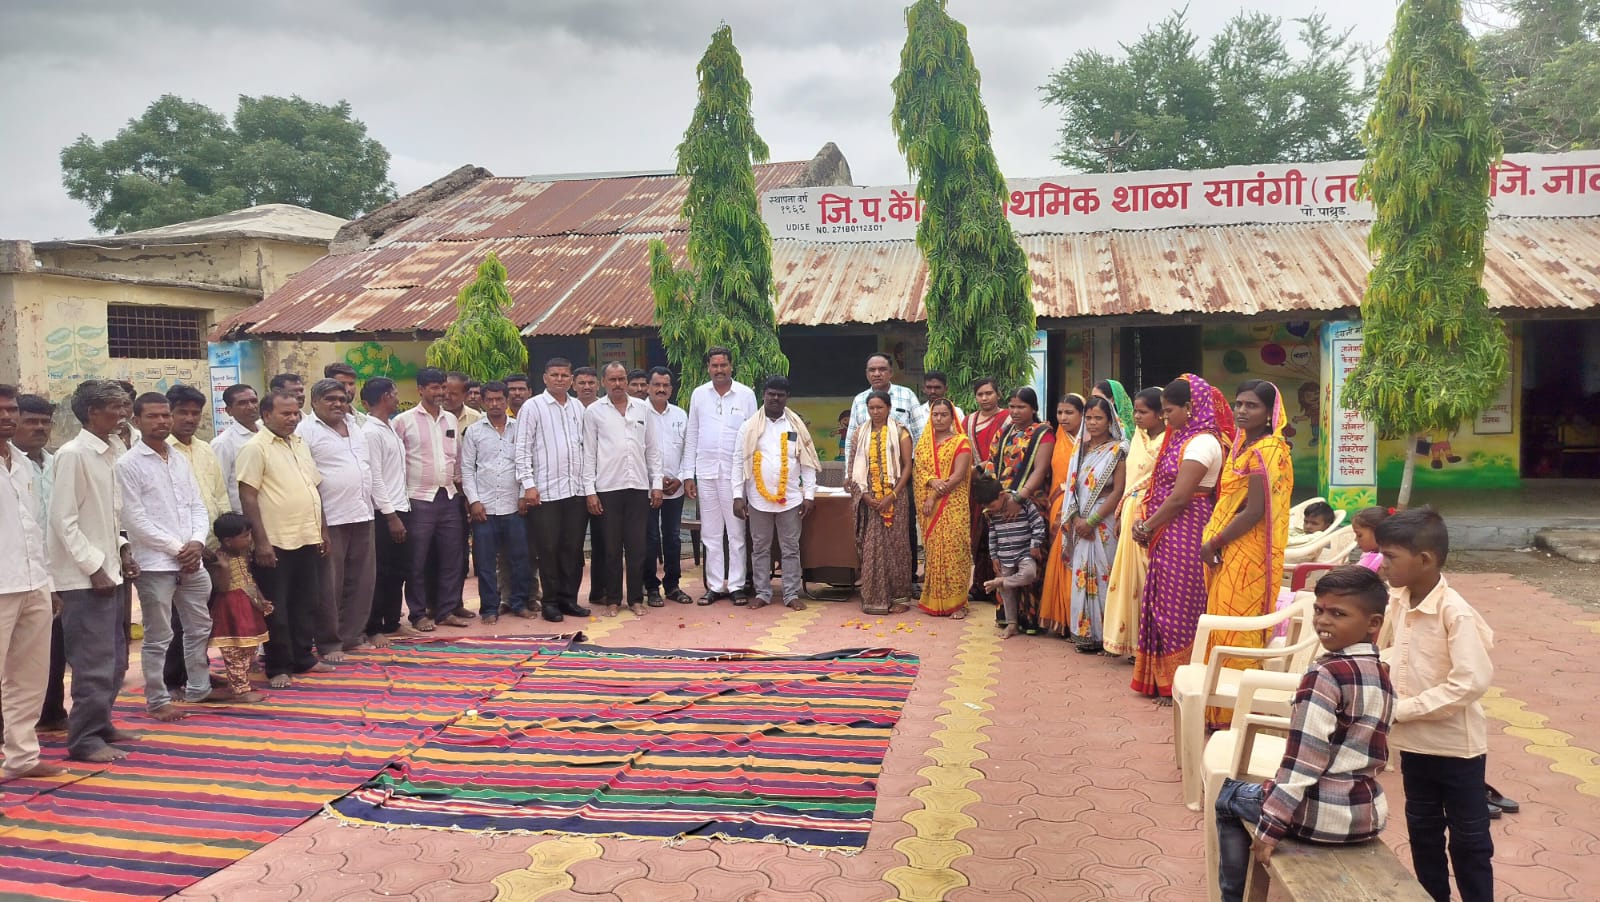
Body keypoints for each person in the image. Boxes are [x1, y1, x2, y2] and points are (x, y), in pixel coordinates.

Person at [1213, 565, 1395, 902]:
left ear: (1373, 624)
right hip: (1365, 816)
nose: (1323, 621)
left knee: (1229, 797)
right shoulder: (1380, 672)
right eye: (1319, 610)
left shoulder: (1325, 675)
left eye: (1338, 614)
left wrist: (1270, 829)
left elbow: (1303, 764)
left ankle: (1233, 898)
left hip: (1319, 816)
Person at [1377, 508, 1496, 902]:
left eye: (1390, 556)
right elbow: (1395, 651)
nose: (1382, 564)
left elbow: (1469, 683)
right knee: (1423, 835)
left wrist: (1402, 710)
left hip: (1457, 751)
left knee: (1470, 843)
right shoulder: (1398, 600)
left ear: (1425, 560)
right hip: (1415, 747)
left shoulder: (1454, 611)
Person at [52, 380, 140, 762]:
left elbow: (109, 516)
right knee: (93, 663)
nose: (122, 415)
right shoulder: (73, 455)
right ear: (92, 413)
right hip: (86, 579)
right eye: (114, 408)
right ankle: (84, 739)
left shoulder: (112, 451)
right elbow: (63, 520)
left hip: (111, 571)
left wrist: (123, 550)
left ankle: (101, 725)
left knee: (117, 658)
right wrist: (94, 568)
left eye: (124, 407)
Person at [1200, 380, 1295, 726]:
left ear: (1270, 413)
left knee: (1238, 628)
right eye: (1238, 403)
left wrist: (1214, 542)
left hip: (1248, 553)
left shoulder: (1266, 450)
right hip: (1233, 549)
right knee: (1225, 623)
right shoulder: (1245, 445)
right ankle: (1220, 707)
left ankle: (1238, 714)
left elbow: (1254, 511)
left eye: (1251, 405)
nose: (1241, 410)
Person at [118, 392, 217, 722]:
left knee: (199, 626)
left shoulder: (178, 458)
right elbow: (135, 520)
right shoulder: (128, 464)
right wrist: (179, 549)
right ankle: (157, 699)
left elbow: (197, 505)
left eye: (165, 415)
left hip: (191, 559)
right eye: (152, 416)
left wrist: (197, 542)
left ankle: (199, 688)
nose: (161, 421)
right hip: (155, 563)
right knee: (159, 635)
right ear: (136, 421)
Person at [1130, 375, 1227, 704]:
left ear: (1190, 407)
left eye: (1169, 410)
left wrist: (1146, 526)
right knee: (1162, 600)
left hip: (1187, 527)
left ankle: (1180, 682)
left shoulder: (1202, 443)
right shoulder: (1182, 438)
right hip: (1170, 528)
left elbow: (1180, 497)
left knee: (1180, 606)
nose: (1165, 416)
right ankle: (1162, 679)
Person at [235, 390, 333, 689]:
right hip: (275, 541)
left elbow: (313, 488)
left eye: (295, 413)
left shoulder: (299, 443)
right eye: (285, 413)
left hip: (306, 536)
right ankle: (278, 666)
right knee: (276, 607)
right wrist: (261, 542)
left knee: (307, 602)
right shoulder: (255, 448)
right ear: (266, 415)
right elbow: (247, 496)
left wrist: (322, 530)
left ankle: (304, 658)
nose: (293, 418)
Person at [0, 384, 64, 780]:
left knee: (29, 676)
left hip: (33, 581)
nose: (7, 416)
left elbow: (35, 527)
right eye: (1, 410)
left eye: (11, 409)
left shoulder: (23, 463)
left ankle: (22, 757)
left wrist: (49, 583)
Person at [298, 379, 387, 658]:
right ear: (314, 402)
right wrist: (319, 522)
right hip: (331, 518)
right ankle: (329, 643)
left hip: (362, 513)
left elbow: (367, 468)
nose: (337, 403)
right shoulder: (305, 431)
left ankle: (351, 637)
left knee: (361, 581)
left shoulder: (355, 426)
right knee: (330, 585)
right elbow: (306, 479)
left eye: (341, 398)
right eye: (330, 399)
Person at [1042, 395, 1128, 652]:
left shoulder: (1119, 450)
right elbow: (1073, 488)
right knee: (1082, 575)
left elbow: (1118, 490)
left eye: (1098, 418)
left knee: (1104, 574)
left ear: (1110, 420)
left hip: (1104, 520)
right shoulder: (1081, 449)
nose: (1092, 423)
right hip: (1079, 522)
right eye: (1089, 418)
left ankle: (1106, 636)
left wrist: (1092, 520)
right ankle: (1085, 634)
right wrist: (1077, 519)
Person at [582, 362, 663, 618]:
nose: (618, 384)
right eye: (612, 379)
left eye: (621, 379)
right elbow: (589, 453)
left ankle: (636, 599)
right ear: (603, 382)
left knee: (637, 547)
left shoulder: (642, 409)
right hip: (608, 487)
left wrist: (656, 484)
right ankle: (613, 600)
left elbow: (653, 449)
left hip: (638, 486)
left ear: (627, 381)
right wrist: (590, 491)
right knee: (611, 548)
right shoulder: (594, 411)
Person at [392, 368, 469, 631]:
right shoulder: (403, 421)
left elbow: (456, 459)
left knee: (452, 557)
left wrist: (462, 492)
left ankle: (446, 610)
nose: (440, 393)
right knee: (417, 560)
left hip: (448, 496)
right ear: (421, 390)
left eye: (443, 387)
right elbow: (395, 462)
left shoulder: (450, 420)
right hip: (417, 498)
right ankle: (418, 613)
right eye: (434, 388)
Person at [516, 358, 591, 624]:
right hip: (544, 493)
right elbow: (522, 448)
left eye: (564, 375)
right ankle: (549, 602)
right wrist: (528, 485)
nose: (560, 379)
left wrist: (587, 487)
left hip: (575, 491)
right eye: (555, 375)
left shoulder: (578, 408)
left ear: (571, 379)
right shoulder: (532, 407)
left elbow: (585, 448)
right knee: (548, 549)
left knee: (572, 549)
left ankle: (568, 599)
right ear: (545, 378)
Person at [732, 376, 817, 611]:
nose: (775, 398)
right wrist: (738, 496)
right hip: (758, 499)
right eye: (771, 394)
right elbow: (738, 462)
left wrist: (809, 495)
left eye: (780, 395)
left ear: (787, 397)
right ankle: (762, 592)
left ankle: (791, 594)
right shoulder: (748, 426)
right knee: (760, 548)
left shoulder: (796, 425)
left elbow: (807, 462)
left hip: (790, 498)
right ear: (764, 395)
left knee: (791, 548)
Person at [683, 347, 759, 606]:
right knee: (711, 533)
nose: (719, 370)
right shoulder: (699, 394)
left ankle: (737, 586)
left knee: (736, 533)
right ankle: (715, 586)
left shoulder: (746, 395)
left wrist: (749, 477)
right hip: (706, 473)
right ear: (708, 368)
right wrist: (688, 474)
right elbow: (692, 433)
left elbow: (753, 437)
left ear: (731, 366)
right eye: (714, 366)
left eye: (723, 365)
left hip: (734, 475)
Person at [14, 394, 69, 734]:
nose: (39, 428)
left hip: (58, 570)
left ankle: (51, 713)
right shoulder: (11, 466)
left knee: (53, 649)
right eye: (30, 421)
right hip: (17, 573)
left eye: (45, 422)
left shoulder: (57, 463)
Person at [462, 381, 534, 623]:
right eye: (490, 400)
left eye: (499, 399)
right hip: (485, 508)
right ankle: (489, 608)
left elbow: (527, 463)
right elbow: (467, 469)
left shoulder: (519, 428)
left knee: (520, 559)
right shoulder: (474, 432)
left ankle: (519, 603)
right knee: (485, 563)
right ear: (483, 402)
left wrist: (524, 493)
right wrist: (474, 501)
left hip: (514, 506)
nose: (494, 404)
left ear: (506, 401)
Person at [1102, 387, 1165, 660]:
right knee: (1128, 579)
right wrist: (1119, 514)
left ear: (1160, 414)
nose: (1137, 417)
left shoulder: (1169, 441)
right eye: (1136, 411)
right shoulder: (1137, 438)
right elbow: (1129, 481)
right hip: (1130, 509)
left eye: (1143, 412)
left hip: (1153, 512)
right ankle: (1127, 643)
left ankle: (1146, 645)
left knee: (1146, 576)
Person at [985, 387, 1054, 630]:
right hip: (1002, 506)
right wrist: (996, 501)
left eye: (1021, 407)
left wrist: (1019, 498)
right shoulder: (1004, 433)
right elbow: (992, 466)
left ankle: (1029, 618)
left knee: (1029, 559)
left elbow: (1040, 470)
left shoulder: (1043, 434)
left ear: (1033, 408)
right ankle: (1007, 614)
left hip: (1030, 504)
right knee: (1005, 559)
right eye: (1012, 406)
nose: (1015, 411)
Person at [847, 390, 914, 616]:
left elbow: (907, 466)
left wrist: (892, 495)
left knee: (897, 546)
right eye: (871, 408)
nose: (875, 412)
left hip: (896, 498)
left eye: (879, 408)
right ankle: (874, 597)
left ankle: (900, 597)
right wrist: (865, 496)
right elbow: (853, 468)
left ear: (889, 408)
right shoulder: (860, 433)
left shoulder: (901, 432)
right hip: (868, 499)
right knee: (871, 547)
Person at [358, 378, 410, 643]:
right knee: (380, 572)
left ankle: (392, 622)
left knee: (397, 571)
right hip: (384, 512)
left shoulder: (389, 427)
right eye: (395, 393)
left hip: (401, 506)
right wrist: (390, 516)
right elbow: (375, 478)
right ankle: (373, 627)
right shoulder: (370, 432)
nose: (398, 398)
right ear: (386, 397)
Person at [913, 398, 973, 617]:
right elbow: (919, 470)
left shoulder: (961, 442)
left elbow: (957, 476)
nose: (938, 419)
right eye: (935, 414)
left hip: (953, 503)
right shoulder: (924, 444)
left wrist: (933, 496)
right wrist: (931, 481)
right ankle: (935, 598)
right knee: (934, 552)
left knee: (955, 551)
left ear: (952, 417)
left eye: (943, 414)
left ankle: (959, 604)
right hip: (930, 507)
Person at [206, 513, 271, 703]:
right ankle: (240, 691)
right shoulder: (219, 559)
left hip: (248, 605)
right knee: (235, 650)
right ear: (228, 541)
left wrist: (261, 600)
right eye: (245, 536)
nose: (250, 539)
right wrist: (224, 567)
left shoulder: (243, 555)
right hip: (231, 609)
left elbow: (249, 580)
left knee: (249, 648)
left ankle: (241, 684)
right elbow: (222, 587)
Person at [974, 473, 1046, 639]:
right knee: (1007, 593)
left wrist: (1035, 544)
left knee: (1029, 573)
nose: (991, 509)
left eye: (992, 505)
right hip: (1004, 555)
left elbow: (1038, 523)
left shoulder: (1023, 502)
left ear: (1001, 494)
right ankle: (1012, 624)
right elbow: (992, 534)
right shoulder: (990, 511)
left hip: (1024, 552)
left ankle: (1001, 582)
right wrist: (994, 556)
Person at [643, 366, 691, 605]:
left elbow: (688, 450)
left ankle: (673, 586)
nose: (661, 389)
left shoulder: (680, 415)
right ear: (648, 387)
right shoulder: (638, 413)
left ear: (671, 389)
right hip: (648, 488)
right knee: (650, 539)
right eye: (657, 385)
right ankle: (651, 587)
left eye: (665, 385)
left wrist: (680, 478)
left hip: (675, 488)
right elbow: (635, 452)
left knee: (672, 537)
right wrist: (656, 480)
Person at [965, 377, 1007, 600]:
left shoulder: (1007, 418)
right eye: (980, 394)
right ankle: (979, 586)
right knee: (979, 536)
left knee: (999, 535)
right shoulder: (968, 421)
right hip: (974, 485)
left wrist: (982, 467)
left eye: (989, 393)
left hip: (999, 484)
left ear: (998, 394)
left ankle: (999, 588)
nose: (984, 398)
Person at [212, 383, 261, 513]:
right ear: (229, 411)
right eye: (242, 403)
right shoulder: (223, 443)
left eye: (253, 401)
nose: (251, 407)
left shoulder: (267, 434)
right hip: (243, 517)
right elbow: (219, 487)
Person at [1350, 506, 1390, 573]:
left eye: (1359, 535)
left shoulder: (1380, 563)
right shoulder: (1371, 554)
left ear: (1379, 533)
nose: (1355, 539)